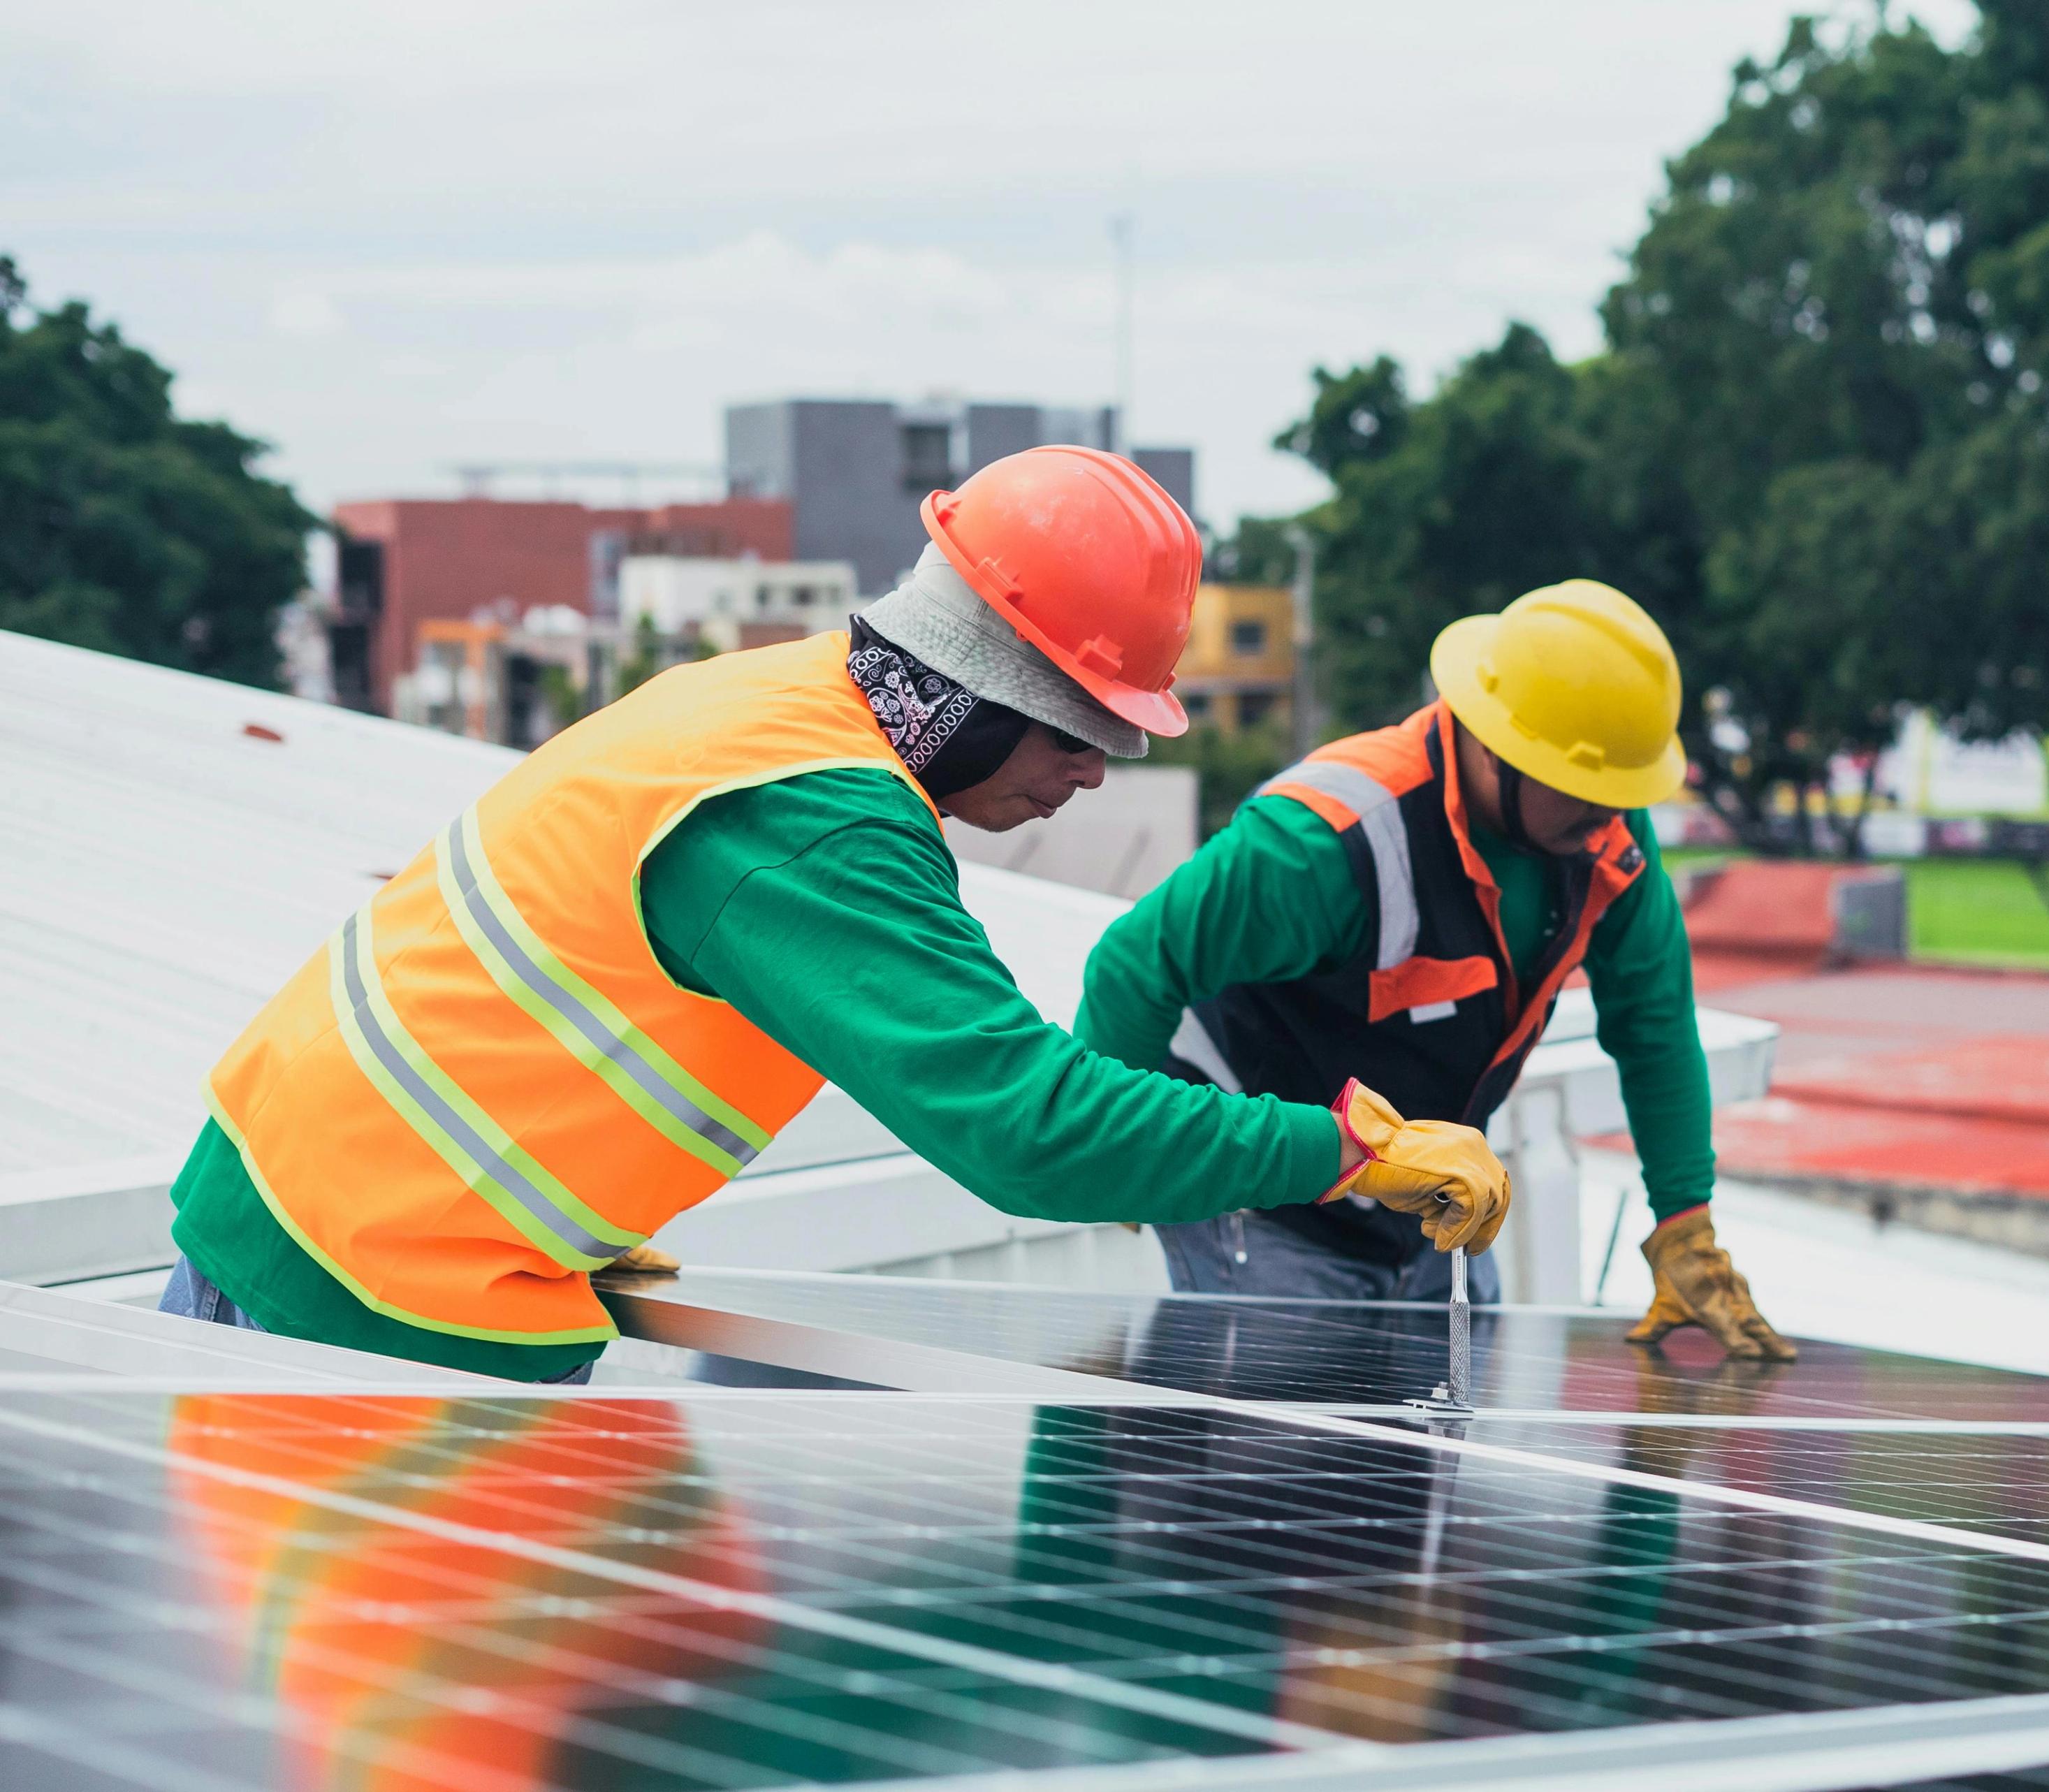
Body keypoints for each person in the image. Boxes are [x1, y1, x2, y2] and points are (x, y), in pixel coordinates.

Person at [159, 446, 1508, 1382]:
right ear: (987, 682)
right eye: (1085, 731)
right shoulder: (816, 820)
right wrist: (1343, 1149)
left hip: (334, 1211)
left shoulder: (776, 702)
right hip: (361, 1283)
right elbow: (1025, 1132)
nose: (1094, 773)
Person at [1076, 579, 1790, 1359]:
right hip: (1269, 1205)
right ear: (1495, 747)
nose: (1610, 818)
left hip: (1431, 1207)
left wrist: (1685, 1224)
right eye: (1588, 791)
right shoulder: (1325, 840)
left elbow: (1654, 1028)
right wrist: (1122, 1158)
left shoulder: (1605, 842)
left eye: (1622, 795)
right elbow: (1134, 965)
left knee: (1432, 1456)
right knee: (1291, 1454)